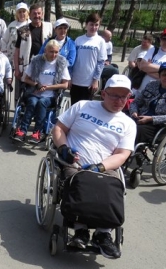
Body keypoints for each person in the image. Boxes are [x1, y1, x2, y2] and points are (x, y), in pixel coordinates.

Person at [52, 74, 136, 258]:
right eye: (115, 95)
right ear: (104, 93)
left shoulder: (128, 123)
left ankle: (103, 234)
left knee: (110, 186)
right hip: (75, 161)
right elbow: (58, 129)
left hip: (106, 166)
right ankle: (80, 229)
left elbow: (123, 154)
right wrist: (64, 148)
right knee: (81, 182)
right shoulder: (82, 106)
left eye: (124, 96)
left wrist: (100, 167)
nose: (120, 100)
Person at [15, 41, 70, 144]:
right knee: (32, 102)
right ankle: (22, 131)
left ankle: (37, 132)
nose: (54, 55)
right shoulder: (36, 60)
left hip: (51, 95)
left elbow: (65, 85)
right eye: (51, 52)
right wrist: (36, 84)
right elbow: (25, 79)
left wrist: (49, 87)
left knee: (42, 102)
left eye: (56, 52)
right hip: (35, 92)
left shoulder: (61, 63)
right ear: (45, 50)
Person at [129, 61, 166, 145]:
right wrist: (134, 112)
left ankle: (129, 155)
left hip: (161, 126)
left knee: (136, 130)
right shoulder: (151, 85)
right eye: (164, 75)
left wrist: (151, 119)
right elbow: (135, 103)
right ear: (159, 75)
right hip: (140, 118)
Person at [13, 4, 53, 91]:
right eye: (34, 14)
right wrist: (16, 68)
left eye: (39, 13)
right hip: (26, 66)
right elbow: (17, 50)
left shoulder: (48, 27)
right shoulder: (23, 30)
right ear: (30, 15)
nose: (37, 16)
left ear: (42, 14)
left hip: (44, 65)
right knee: (24, 93)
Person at [70, 12, 107, 104]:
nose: (93, 27)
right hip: (76, 80)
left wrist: (95, 80)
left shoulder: (100, 41)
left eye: (96, 25)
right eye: (91, 24)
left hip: (89, 82)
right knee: (74, 106)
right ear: (86, 25)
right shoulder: (79, 39)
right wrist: (69, 77)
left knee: (85, 107)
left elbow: (100, 63)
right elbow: (72, 59)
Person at [136, 27, 166, 96]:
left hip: (159, 96)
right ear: (161, 39)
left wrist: (148, 70)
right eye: (165, 39)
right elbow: (142, 66)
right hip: (141, 91)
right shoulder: (153, 50)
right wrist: (165, 70)